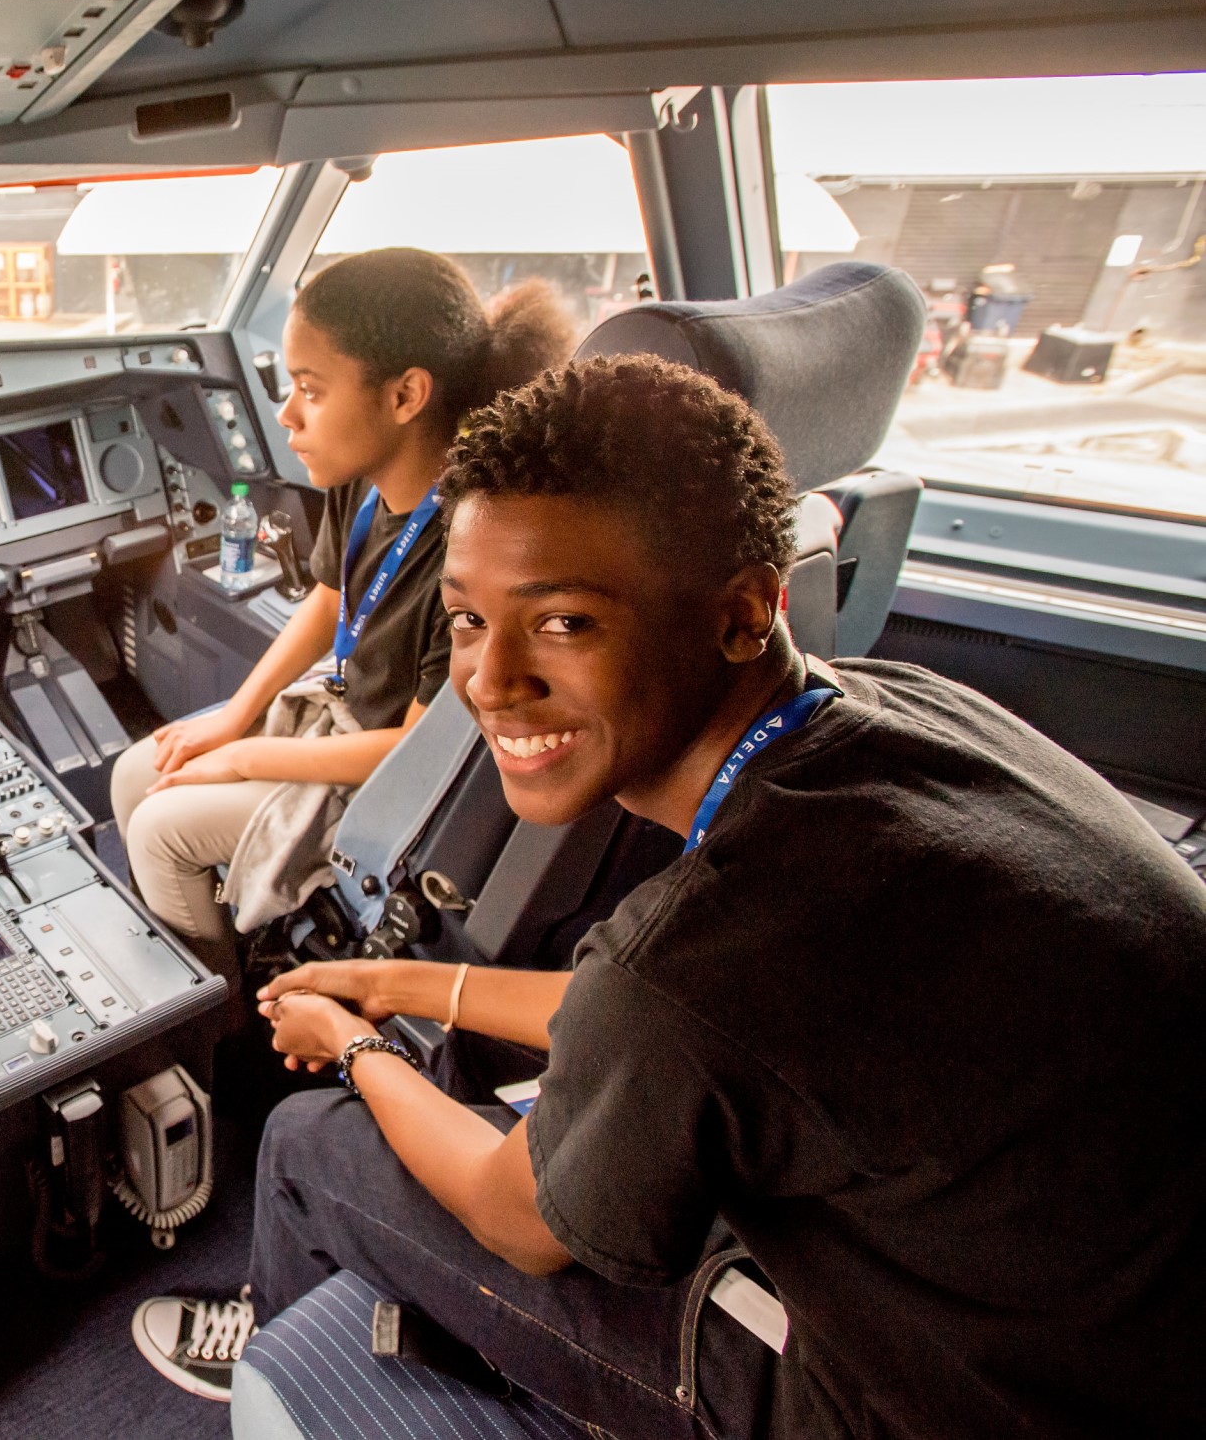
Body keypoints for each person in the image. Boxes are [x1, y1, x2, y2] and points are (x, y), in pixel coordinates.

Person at [134, 356, 1206, 1435]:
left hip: (924, 1403)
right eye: (465, 619)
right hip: (1097, 1310)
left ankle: (278, 1358)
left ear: (742, 613)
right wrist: (398, 980)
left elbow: (520, 1217)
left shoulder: (703, 951)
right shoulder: (907, 720)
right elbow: (668, 1026)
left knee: (310, 1143)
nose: (488, 681)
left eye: (563, 621)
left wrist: (353, 1046)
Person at [108, 249, 573, 976]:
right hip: (342, 714)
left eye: (310, 389)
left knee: (161, 829)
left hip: (389, 775)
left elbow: (409, 752)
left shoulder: (468, 554)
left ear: (405, 394)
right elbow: (330, 599)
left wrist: (245, 757)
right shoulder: (363, 482)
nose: (287, 415)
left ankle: (231, 1022)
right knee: (138, 772)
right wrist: (234, 716)